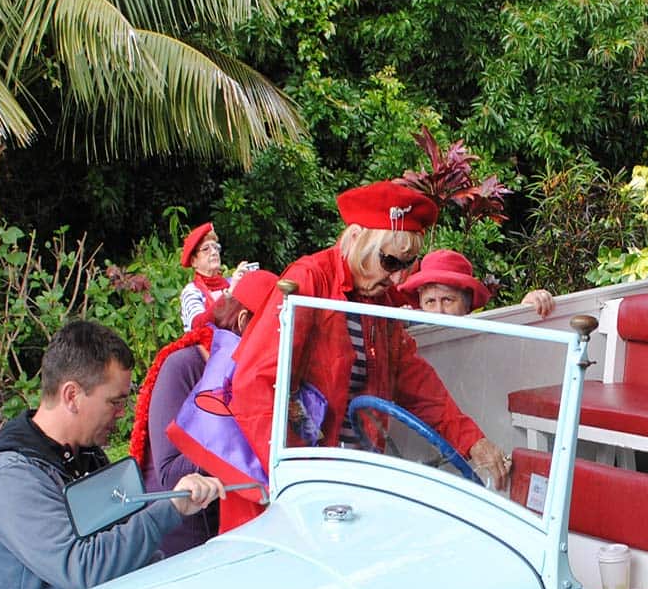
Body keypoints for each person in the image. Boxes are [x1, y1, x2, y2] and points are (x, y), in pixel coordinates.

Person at [215, 181, 512, 529]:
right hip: (288, 494)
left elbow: (414, 380)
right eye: (389, 261)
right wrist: (299, 480)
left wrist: (471, 440)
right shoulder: (309, 282)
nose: (398, 277)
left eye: (408, 264)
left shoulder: (380, 304)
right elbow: (255, 384)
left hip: (349, 485)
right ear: (356, 238)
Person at [0, 320, 223, 589]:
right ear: (72, 396)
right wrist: (170, 508)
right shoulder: (13, 476)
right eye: (114, 401)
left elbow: (126, 546)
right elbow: (84, 566)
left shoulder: (85, 456)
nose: (122, 412)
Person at [130, 265, 279, 555]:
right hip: (184, 534)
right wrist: (234, 440)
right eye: (272, 333)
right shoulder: (185, 366)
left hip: (235, 523)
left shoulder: (258, 375)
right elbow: (170, 473)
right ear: (244, 321)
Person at [396, 248, 556, 318]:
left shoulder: (482, 331)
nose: (439, 311)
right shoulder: (412, 333)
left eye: (447, 300)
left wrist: (527, 308)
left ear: (467, 304)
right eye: (430, 302)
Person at [177, 222, 257, 330]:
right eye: (206, 249)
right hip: (207, 346)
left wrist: (248, 284)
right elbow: (198, 325)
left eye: (216, 247)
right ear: (193, 261)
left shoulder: (230, 282)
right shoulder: (191, 291)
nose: (214, 252)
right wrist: (229, 293)